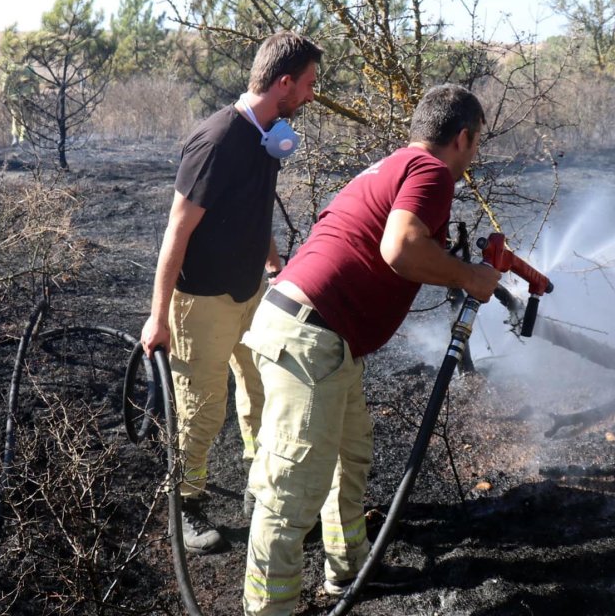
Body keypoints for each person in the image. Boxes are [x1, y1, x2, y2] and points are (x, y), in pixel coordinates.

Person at [239, 84, 502, 615]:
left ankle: (348, 567)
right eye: (476, 146)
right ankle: (270, 610)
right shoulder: (430, 172)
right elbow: (400, 248)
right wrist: (472, 276)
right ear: (463, 136)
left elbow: (391, 244)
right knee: (292, 492)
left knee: (350, 455)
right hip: (311, 336)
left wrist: (449, 261)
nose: (474, 156)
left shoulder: (393, 166)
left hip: (317, 334)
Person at [140, 31, 322, 555]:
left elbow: (252, 207)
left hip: (252, 293)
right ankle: (185, 503)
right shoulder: (218, 140)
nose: (311, 94)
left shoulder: (268, 135)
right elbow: (176, 231)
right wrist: (159, 318)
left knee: (261, 393)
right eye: (308, 84)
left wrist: (274, 263)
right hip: (201, 301)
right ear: (283, 83)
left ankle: (259, 485)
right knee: (201, 408)